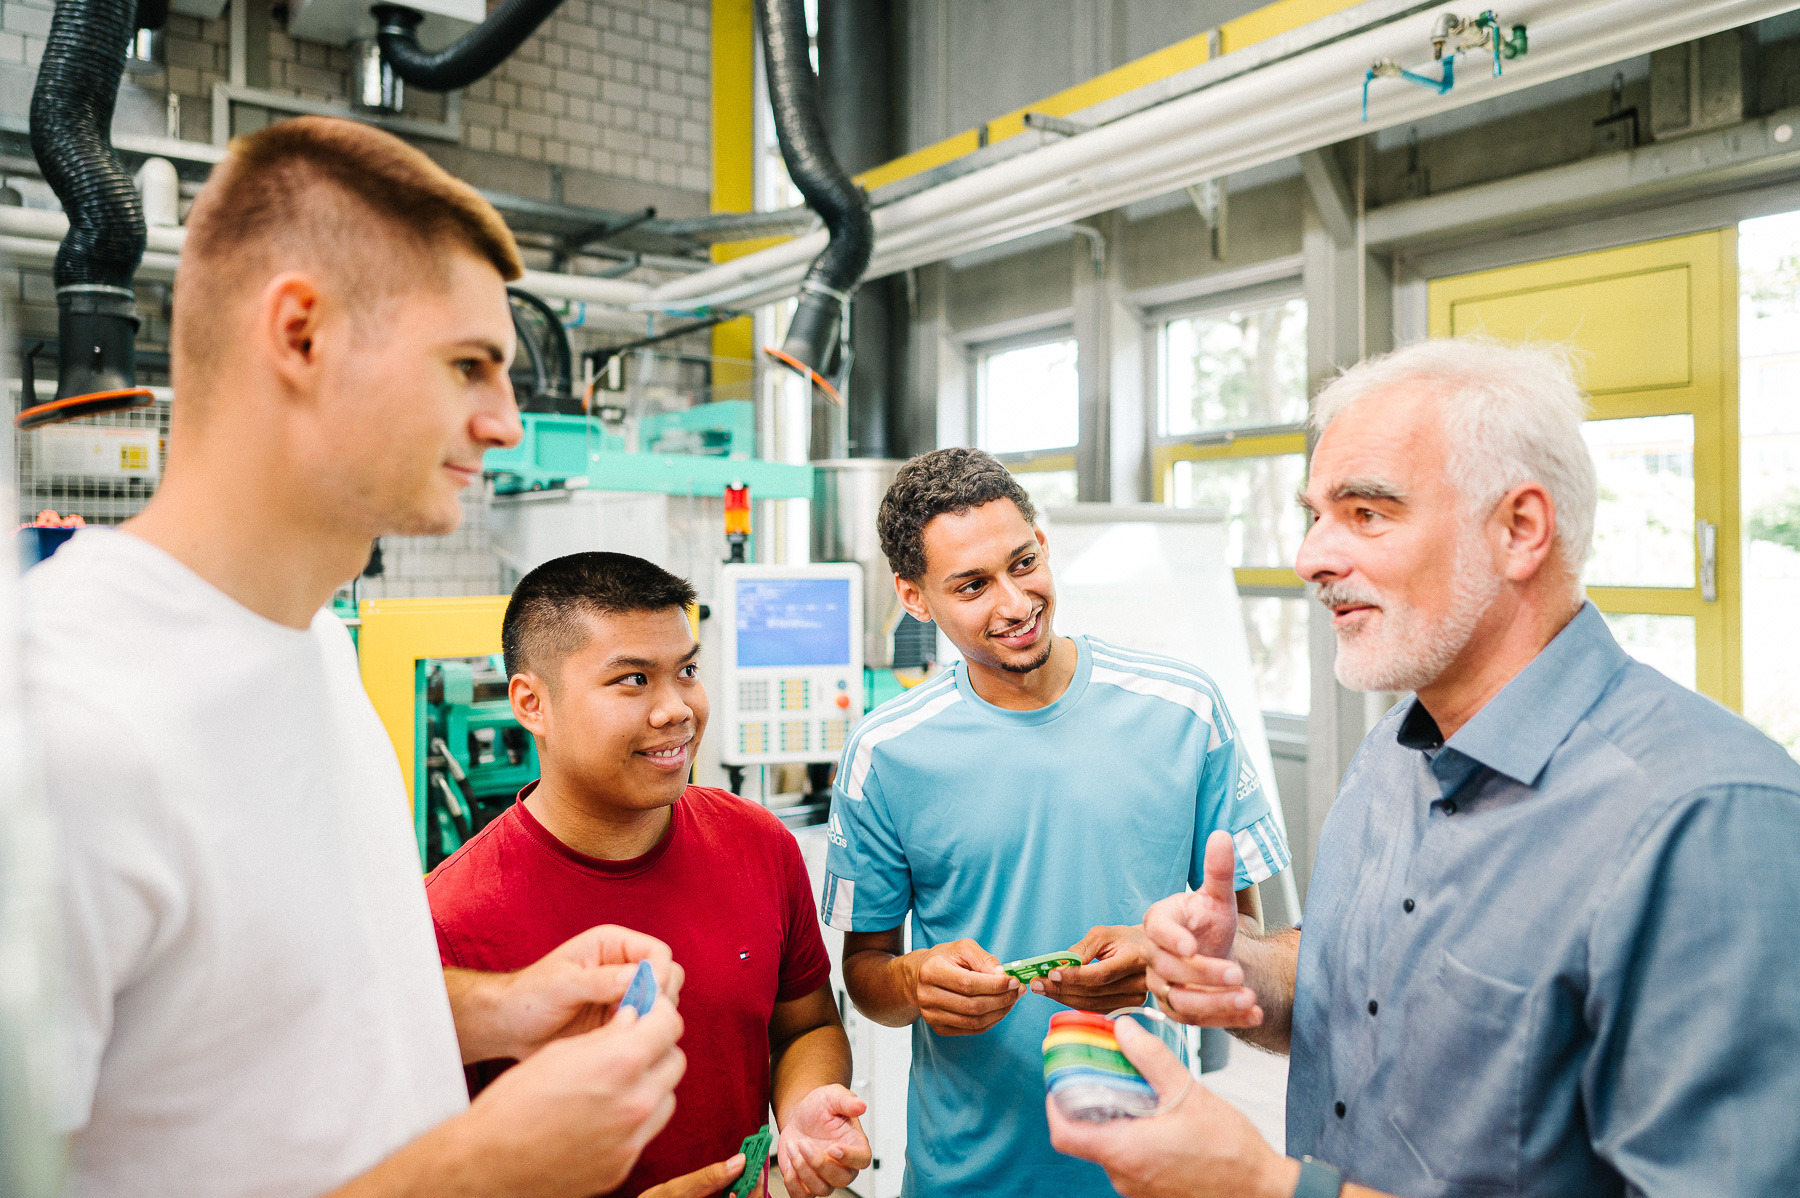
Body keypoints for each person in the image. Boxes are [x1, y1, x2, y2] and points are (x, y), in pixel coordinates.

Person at [26, 116, 690, 1198]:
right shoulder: (58, 724)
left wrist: (506, 1006)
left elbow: (260, 1024)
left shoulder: (321, 649)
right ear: (301, 335)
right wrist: (483, 1167)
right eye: (470, 365)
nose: (509, 422)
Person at [1049, 338, 1800, 1198]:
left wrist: (1262, 1187)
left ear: (1519, 530)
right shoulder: (1393, 754)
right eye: (1315, 515)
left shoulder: (1707, 819)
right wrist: (1246, 966)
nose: (1311, 560)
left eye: (1367, 514)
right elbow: (1366, 993)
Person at [823, 448, 1291, 1196]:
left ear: (1043, 541)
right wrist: (914, 980)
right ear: (915, 599)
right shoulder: (887, 752)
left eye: (1024, 561)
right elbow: (867, 975)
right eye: (972, 585)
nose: (1014, 602)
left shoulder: (1184, 711)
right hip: (965, 1176)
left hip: (1153, 1162)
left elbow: (1250, 945)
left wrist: (1162, 959)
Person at [426, 551, 873, 1198]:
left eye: (686, 670)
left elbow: (804, 1025)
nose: (677, 709)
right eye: (633, 680)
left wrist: (804, 1105)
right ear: (531, 704)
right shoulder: (450, 925)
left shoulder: (759, 845)